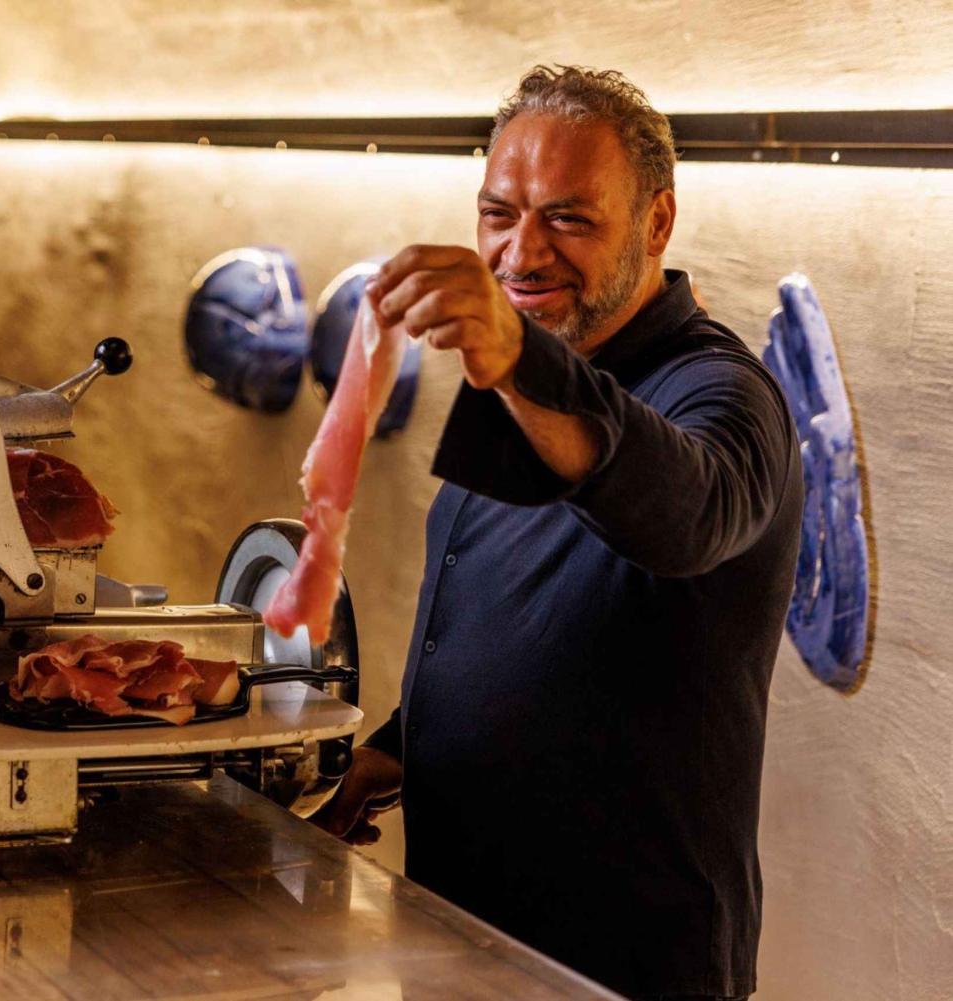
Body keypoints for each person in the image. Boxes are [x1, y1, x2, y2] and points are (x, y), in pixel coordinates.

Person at [319, 66, 803, 1001]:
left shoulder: (722, 391)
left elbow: (687, 513)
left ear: (657, 223)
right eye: (498, 214)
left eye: (569, 219)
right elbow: (513, 610)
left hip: (628, 958)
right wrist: (401, 745)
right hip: (465, 931)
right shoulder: (525, 378)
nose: (522, 251)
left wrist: (516, 357)